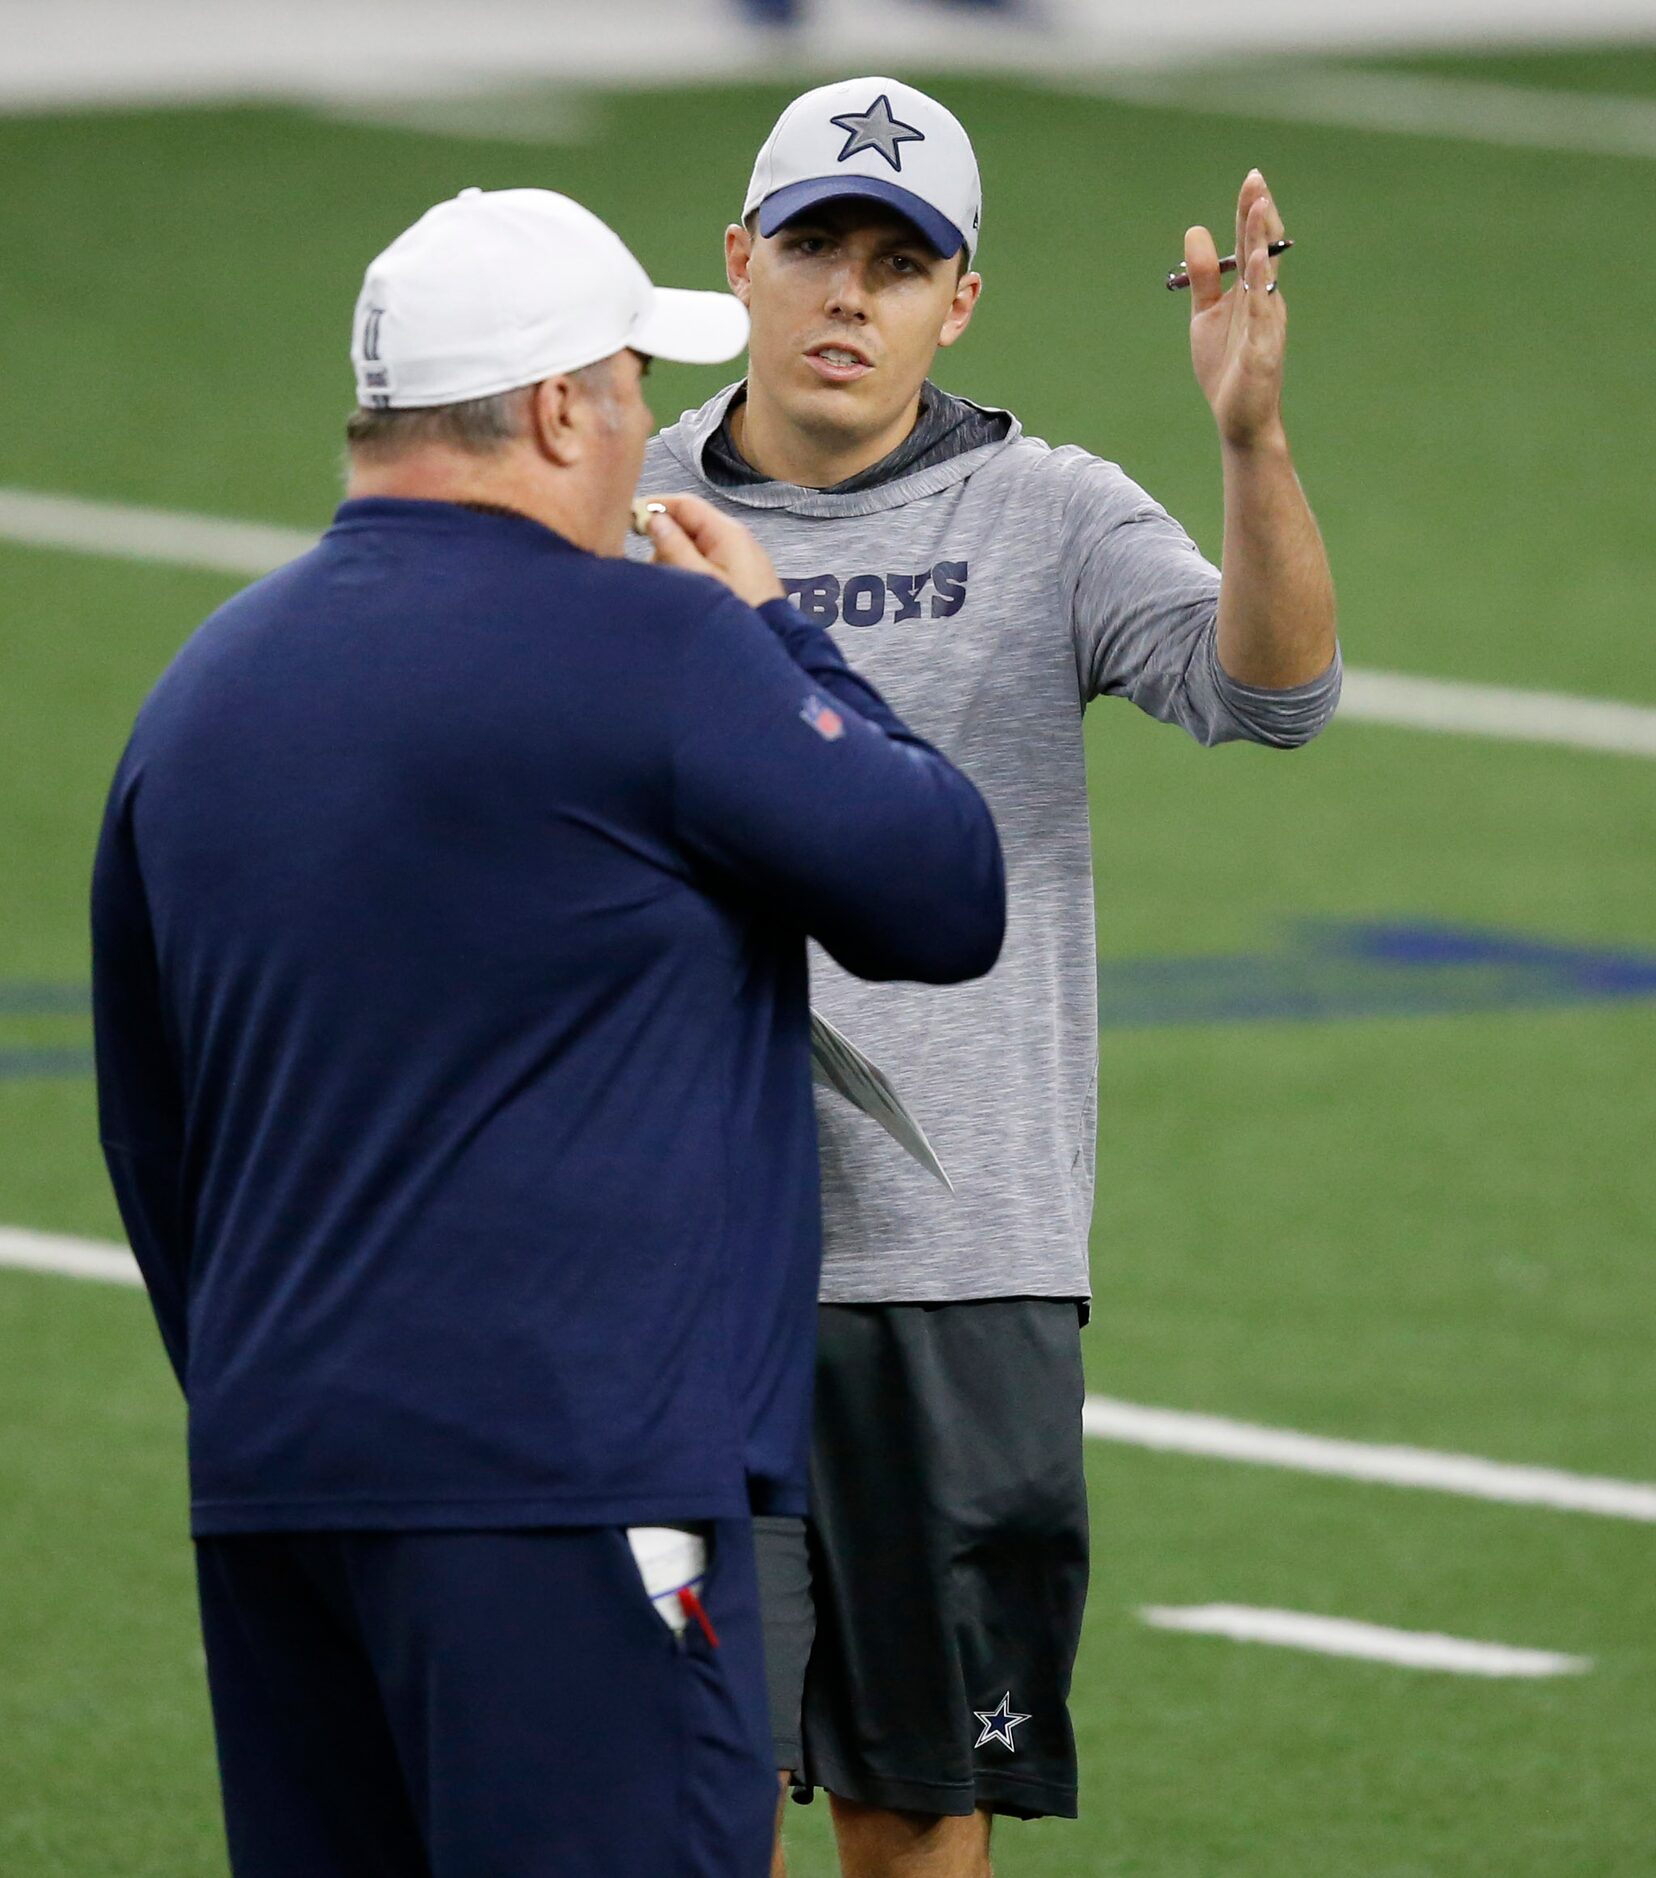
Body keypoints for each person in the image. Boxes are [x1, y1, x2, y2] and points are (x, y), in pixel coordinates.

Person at [90, 184, 1005, 1878]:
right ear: (554, 409)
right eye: (636, 386)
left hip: (281, 1483)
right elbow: (942, 888)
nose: (655, 427)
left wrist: (270, 1390)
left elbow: (150, 1132)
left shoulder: (200, 690)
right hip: (579, 1487)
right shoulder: (658, 648)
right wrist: (775, 631)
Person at [632, 76, 1341, 1878]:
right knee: (676, 1783)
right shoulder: (616, 513)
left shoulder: (1052, 512)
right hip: (661, 1251)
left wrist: (1254, 449)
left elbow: (1276, 692)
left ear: (962, 299)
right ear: (738, 266)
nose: (848, 297)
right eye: (813, 251)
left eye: (897, 262)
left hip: (956, 1268)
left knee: (917, 1800)